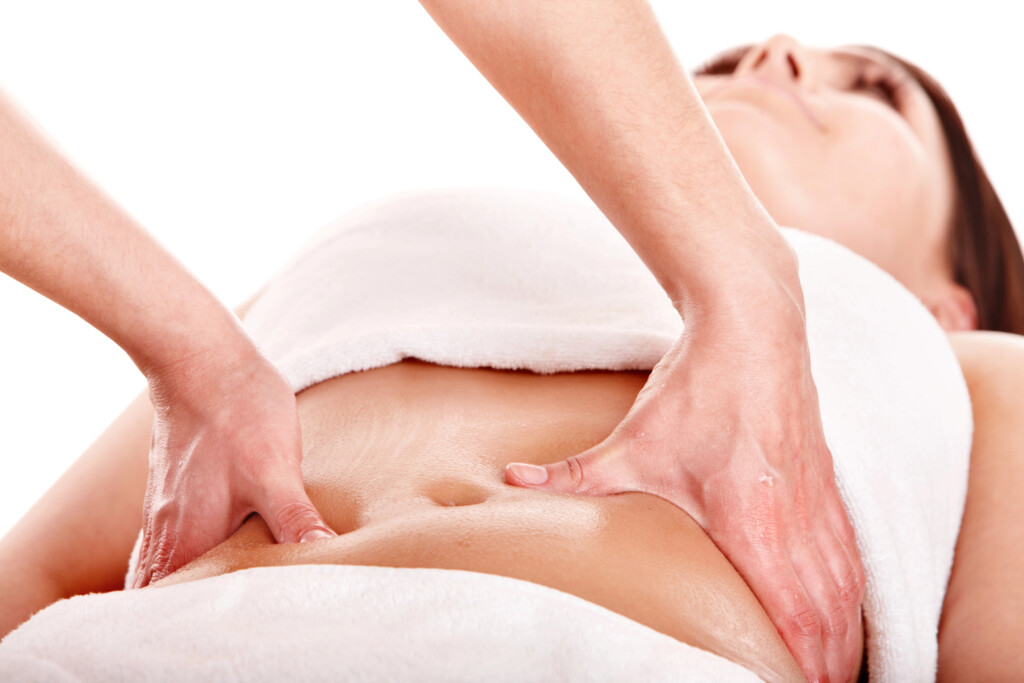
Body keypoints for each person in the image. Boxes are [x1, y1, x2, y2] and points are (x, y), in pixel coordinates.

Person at [1, 33, 1021, 682]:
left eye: (875, 88)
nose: (780, 53)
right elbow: (34, 574)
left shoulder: (965, 370)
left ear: (949, 300)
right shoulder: (369, 248)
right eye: (715, 63)